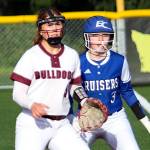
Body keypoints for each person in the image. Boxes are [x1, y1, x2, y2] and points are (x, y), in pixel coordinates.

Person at [10, 7, 90, 150]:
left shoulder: (71, 55)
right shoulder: (31, 56)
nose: (55, 28)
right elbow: (17, 93)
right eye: (50, 24)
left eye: (58, 23)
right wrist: (32, 105)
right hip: (33, 124)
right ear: (40, 29)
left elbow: (75, 86)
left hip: (62, 125)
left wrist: (85, 101)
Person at [72, 16, 150, 150]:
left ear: (110, 37)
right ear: (87, 37)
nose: (101, 40)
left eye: (105, 35)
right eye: (95, 35)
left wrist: (146, 122)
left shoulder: (119, 61)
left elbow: (127, 92)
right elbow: (73, 89)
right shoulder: (77, 61)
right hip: (86, 119)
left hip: (115, 119)